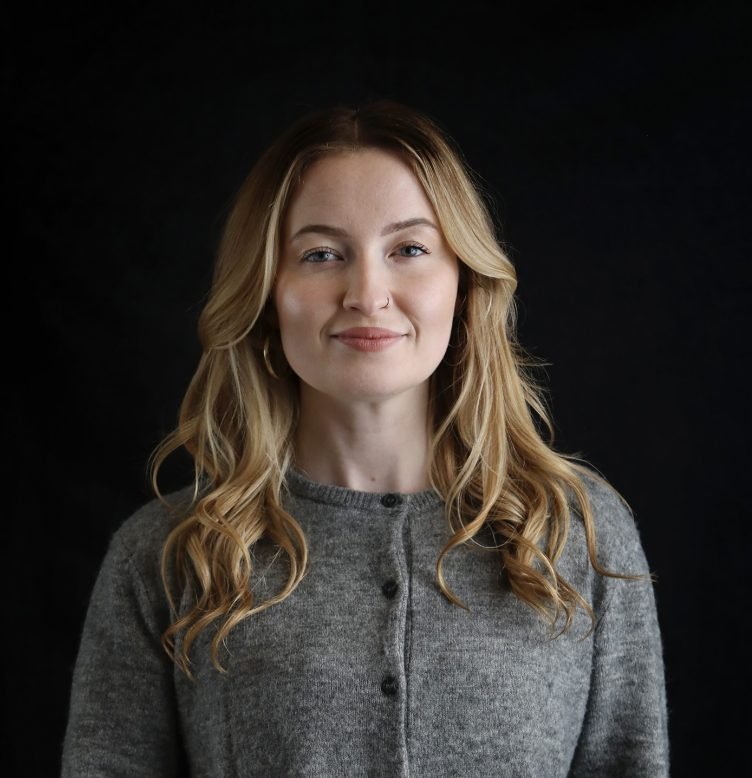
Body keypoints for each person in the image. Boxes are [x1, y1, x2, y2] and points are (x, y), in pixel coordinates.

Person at [61, 99, 669, 777]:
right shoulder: (170, 556)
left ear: (463, 284)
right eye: (322, 254)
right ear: (267, 291)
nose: (367, 292)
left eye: (408, 249)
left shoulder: (576, 534)